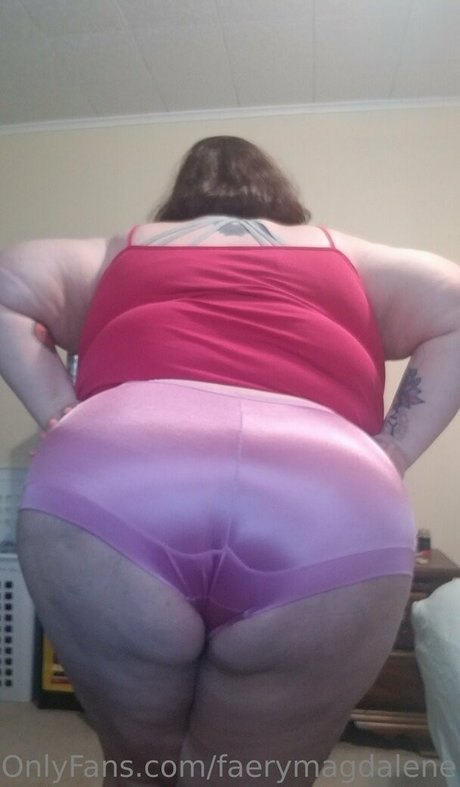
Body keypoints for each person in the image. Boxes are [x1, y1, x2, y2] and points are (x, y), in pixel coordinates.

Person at [1, 135, 460, 787]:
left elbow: (7, 282)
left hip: (116, 480)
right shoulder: (348, 254)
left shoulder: (119, 250)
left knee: (140, 768)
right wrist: (394, 450)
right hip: (327, 498)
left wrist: (59, 411)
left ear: (178, 199)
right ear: (280, 196)